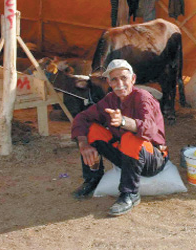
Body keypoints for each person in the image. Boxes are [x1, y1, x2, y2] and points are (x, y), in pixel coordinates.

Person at [71, 59, 168, 216]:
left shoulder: (143, 97)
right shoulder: (110, 99)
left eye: (124, 78)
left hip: (152, 158)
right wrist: (83, 144)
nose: (120, 83)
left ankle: (130, 193)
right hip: (126, 154)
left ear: (133, 79)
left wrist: (124, 122)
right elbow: (82, 118)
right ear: (109, 82)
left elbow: (150, 130)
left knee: (130, 137)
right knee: (92, 129)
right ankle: (93, 178)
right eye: (114, 79)